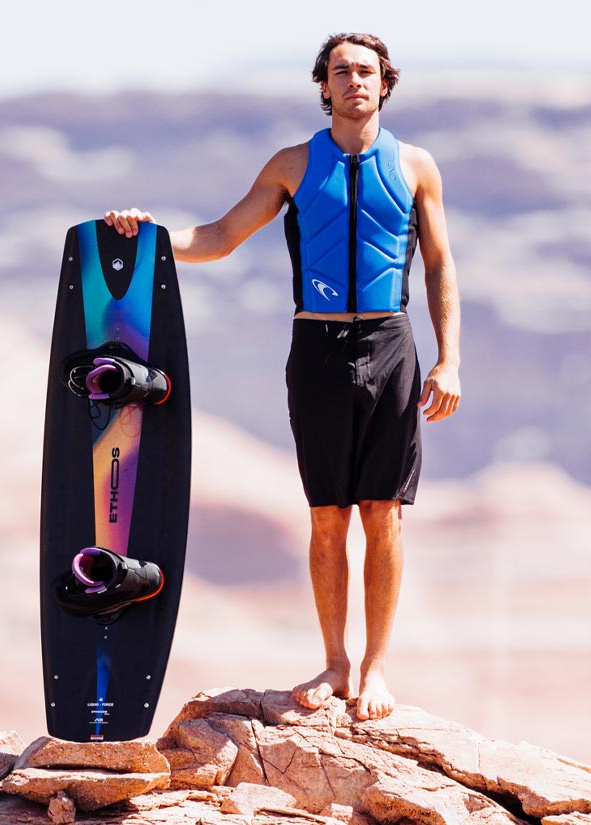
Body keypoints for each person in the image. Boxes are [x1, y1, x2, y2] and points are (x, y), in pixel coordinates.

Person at [105, 32, 461, 721]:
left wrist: (450, 358)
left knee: (383, 513)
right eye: (340, 72)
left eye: (365, 71)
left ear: (385, 83)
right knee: (327, 516)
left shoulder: (417, 166)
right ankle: (334, 661)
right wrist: (149, 235)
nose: (353, 81)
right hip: (318, 348)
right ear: (323, 86)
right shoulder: (294, 165)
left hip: (390, 343)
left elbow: (442, 264)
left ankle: (375, 669)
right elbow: (218, 236)